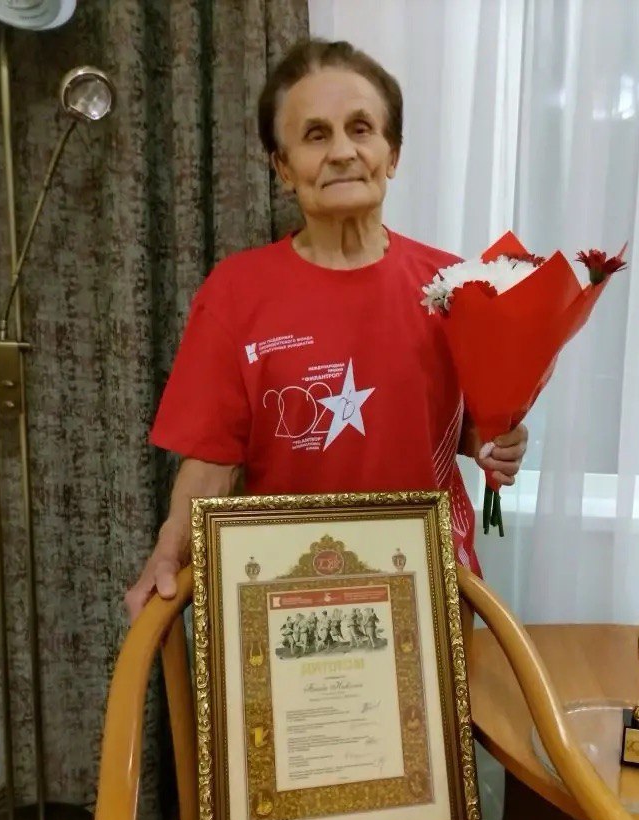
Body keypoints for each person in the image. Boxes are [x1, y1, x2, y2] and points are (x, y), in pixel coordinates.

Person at [125, 38, 528, 621]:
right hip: (288, 595)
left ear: (392, 154)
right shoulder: (235, 292)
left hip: (425, 590)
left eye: (361, 129)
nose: (342, 152)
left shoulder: (454, 287)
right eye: (316, 135)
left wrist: (502, 444)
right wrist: (168, 551)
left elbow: (469, 433)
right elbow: (211, 466)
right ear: (283, 167)